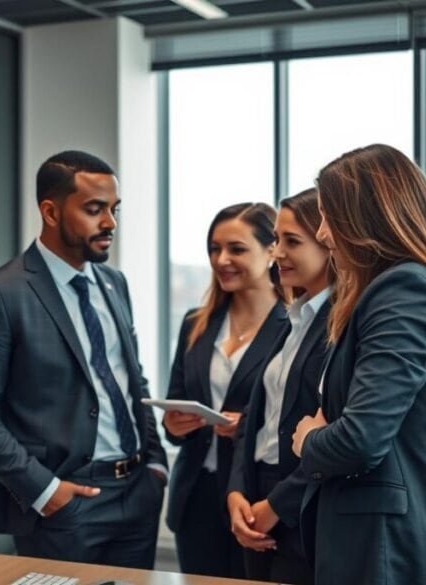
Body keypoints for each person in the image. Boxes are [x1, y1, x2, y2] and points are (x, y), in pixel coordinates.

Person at [291, 144, 426, 584]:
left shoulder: (405, 291)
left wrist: (309, 441)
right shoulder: (397, 290)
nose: (325, 235)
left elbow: (361, 440)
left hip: (393, 553)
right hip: (380, 544)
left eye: (330, 217)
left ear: (364, 219)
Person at [0, 150, 167, 569]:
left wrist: (155, 463)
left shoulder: (115, 283)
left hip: (137, 492)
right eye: (95, 209)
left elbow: (132, 380)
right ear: (50, 211)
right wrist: (44, 490)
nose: (110, 223)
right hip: (65, 504)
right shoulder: (1, 292)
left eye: (113, 209)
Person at [162, 202, 288, 578]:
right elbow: (174, 410)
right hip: (195, 496)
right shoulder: (196, 324)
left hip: (255, 496)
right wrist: (175, 424)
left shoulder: (293, 328)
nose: (221, 260)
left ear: (271, 251)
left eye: (236, 249)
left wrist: (245, 425)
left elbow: (292, 415)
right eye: (214, 249)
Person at [227, 189, 333, 585]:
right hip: (259, 492)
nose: (276, 253)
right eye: (275, 241)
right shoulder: (293, 317)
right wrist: (236, 491)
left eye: (292, 242)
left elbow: (331, 438)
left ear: (327, 244)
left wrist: (276, 505)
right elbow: (257, 418)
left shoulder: (342, 327)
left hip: (299, 504)